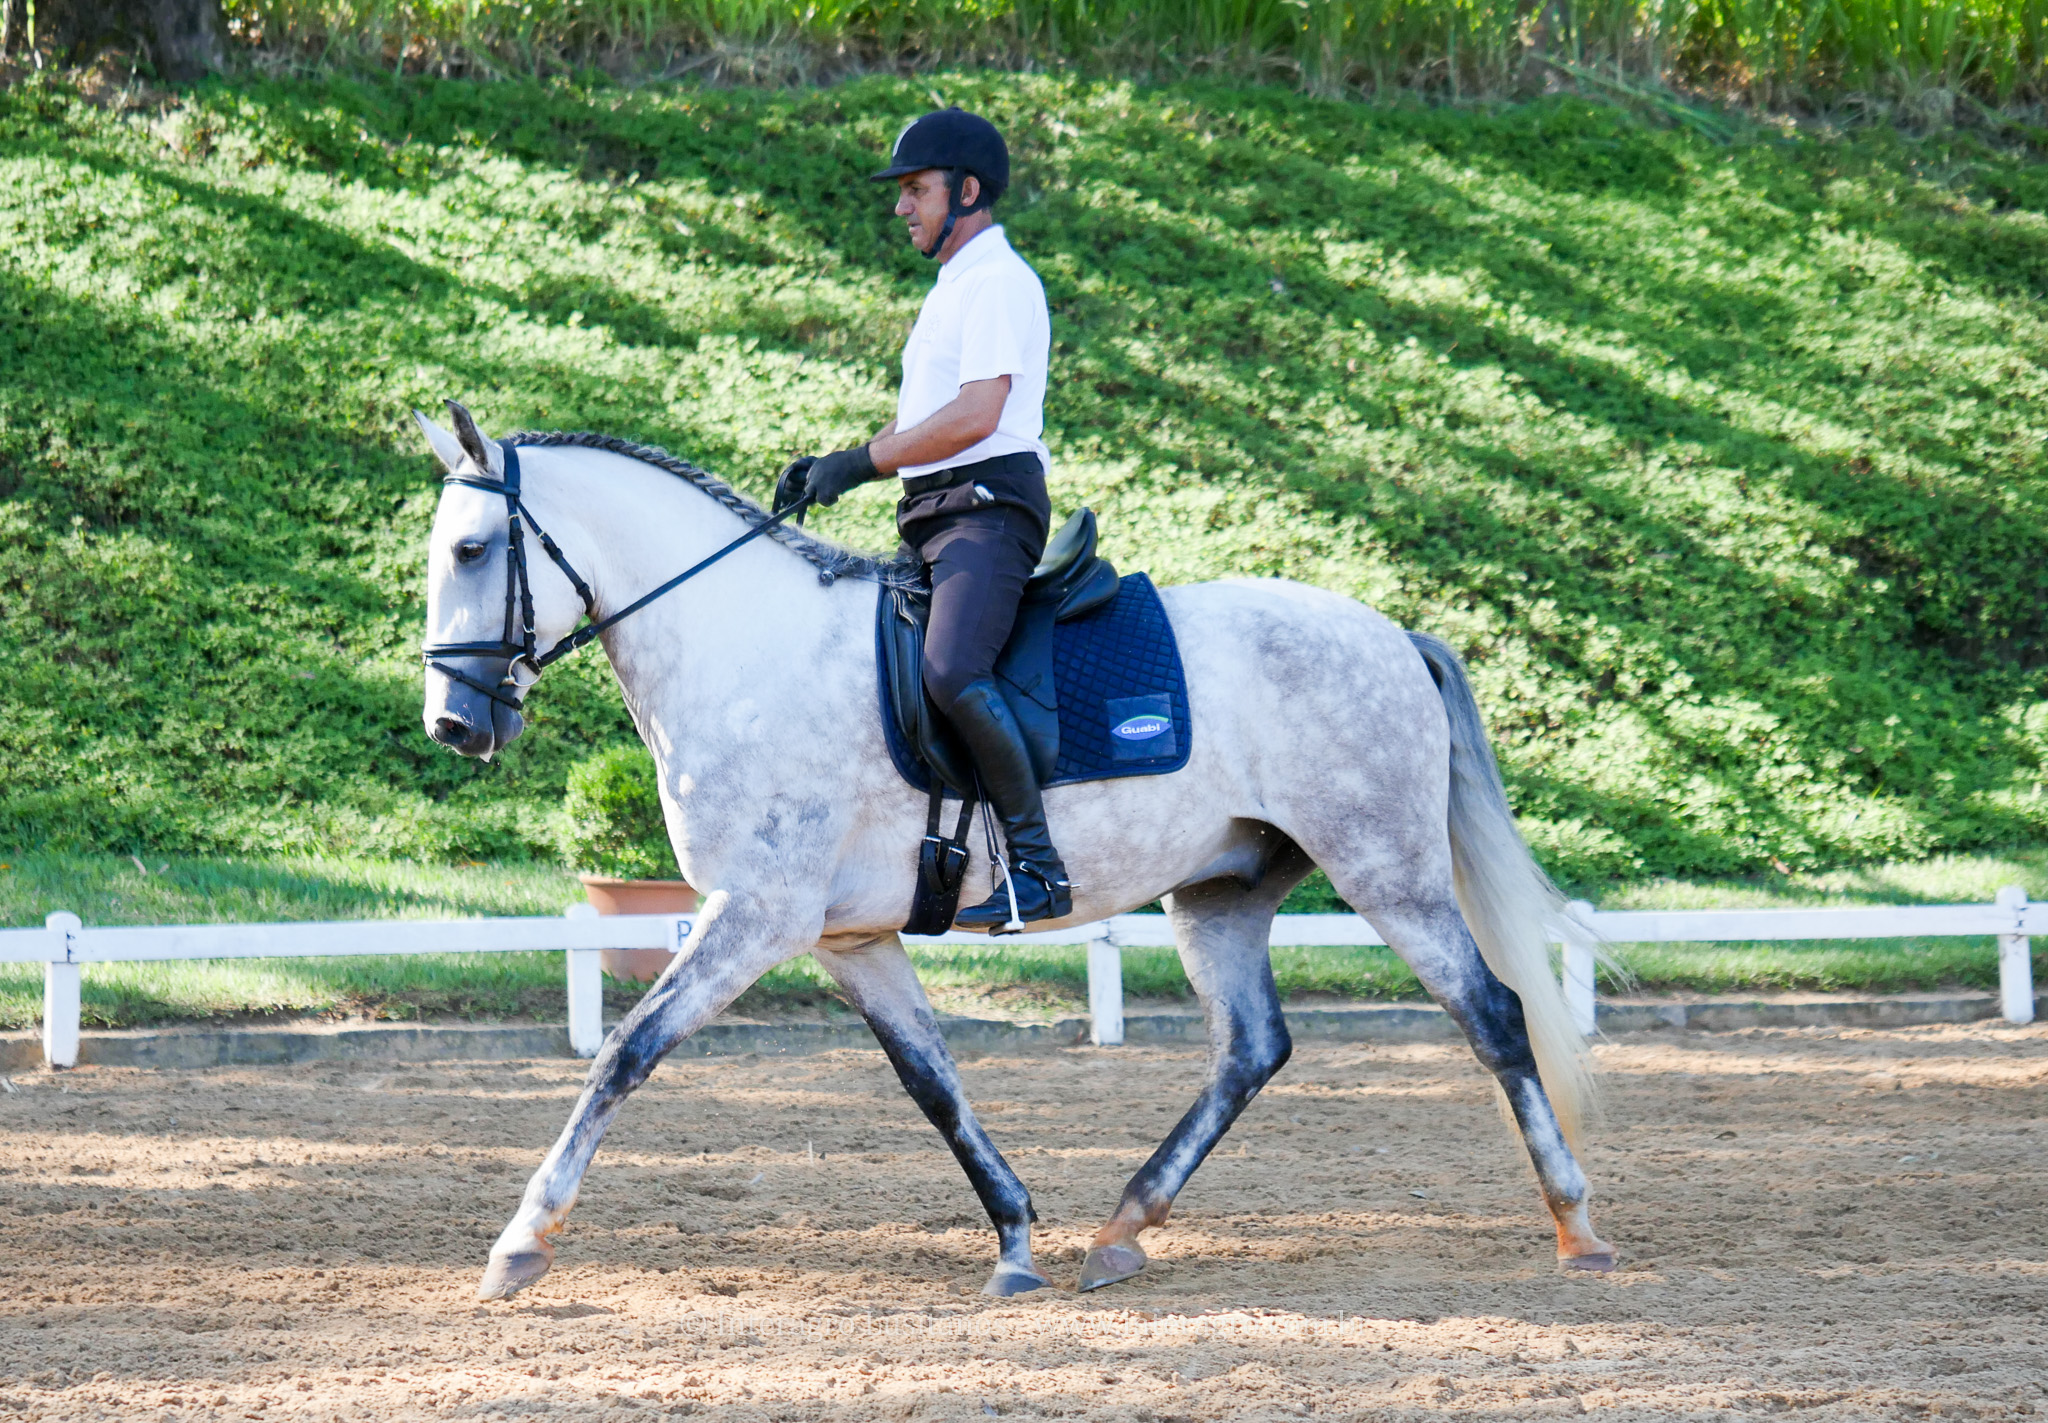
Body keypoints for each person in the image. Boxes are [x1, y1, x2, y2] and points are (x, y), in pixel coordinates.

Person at [776, 107, 1071, 931]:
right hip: (935, 511)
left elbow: (979, 413)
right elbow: (934, 420)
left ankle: (1040, 869)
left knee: (950, 669)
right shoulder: (957, 287)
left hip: (987, 508)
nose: (900, 207)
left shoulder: (1000, 282)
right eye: (901, 192)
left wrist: (860, 462)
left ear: (967, 191)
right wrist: (842, 465)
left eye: (916, 190)